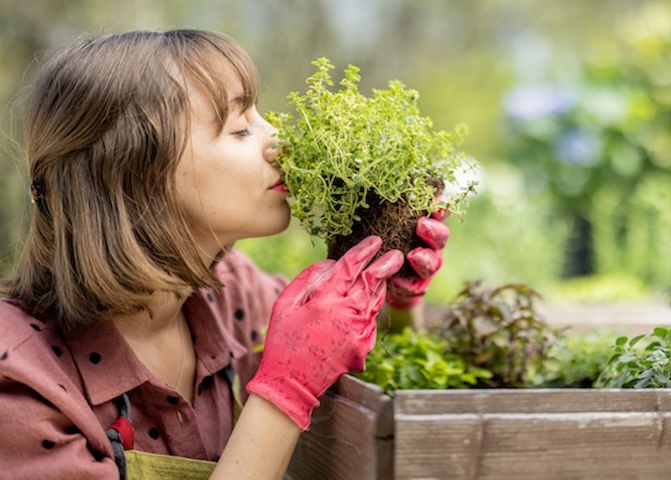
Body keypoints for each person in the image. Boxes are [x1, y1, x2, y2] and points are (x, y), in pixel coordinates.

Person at [0, 29, 449, 479]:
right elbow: (296, 376)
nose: (281, 142)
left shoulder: (234, 293)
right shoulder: (18, 379)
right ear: (135, 174)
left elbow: (353, 356)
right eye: (240, 129)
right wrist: (284, 392)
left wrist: (392, 299)